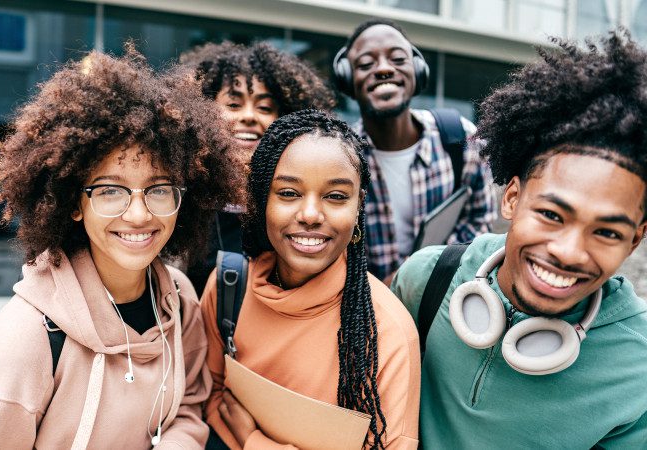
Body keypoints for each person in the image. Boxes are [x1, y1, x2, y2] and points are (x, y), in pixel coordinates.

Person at [0, 49, 243, 449]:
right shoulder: (24, 343)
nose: (138, 214)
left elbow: (188, 406)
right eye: (109, 190)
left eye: (158, 189)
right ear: (71, 202)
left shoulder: (179, 299)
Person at [390, 31, 647, 448]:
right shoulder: (427, 278)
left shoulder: (639, 368)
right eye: (550, 214)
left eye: (607, 232)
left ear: (634, 241)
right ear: (511, 198)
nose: (567, 252)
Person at [201, 110, 420, 449]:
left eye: (335, 196)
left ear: (359, 205)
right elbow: (209, 396)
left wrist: (252, 441)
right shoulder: (230, 287)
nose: (310, 215)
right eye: (288, 193)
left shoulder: (388, 333)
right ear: (261, 200)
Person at [335, 18, 496, 283]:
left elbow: (480, 220)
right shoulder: (341, 155)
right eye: (366, 64)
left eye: (398, 59)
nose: (384, 69)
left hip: (440, 298)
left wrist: (424, 271)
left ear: (418, 70)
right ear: (347, 78)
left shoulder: (459, 139)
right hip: (368, 308)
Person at [178, 41, 337, 295]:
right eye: (233, 105)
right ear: (202, 112)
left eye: (264, 107)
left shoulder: (298, 206)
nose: (249, 116)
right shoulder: (183, 203)